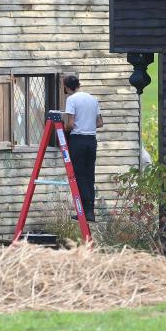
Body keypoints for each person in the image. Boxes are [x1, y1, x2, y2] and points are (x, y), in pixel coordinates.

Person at [63, 76, 103, 222]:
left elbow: (70, 124)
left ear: (67, 87)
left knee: (79, 175)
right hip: (91, 140)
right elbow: (99, 123)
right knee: (89, 175)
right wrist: (87, 124)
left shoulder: (71, 100)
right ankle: (90, 211)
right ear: (79, 85)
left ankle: (84, 211)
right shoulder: (93, 99)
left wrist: (63, 130)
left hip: (78, 140)